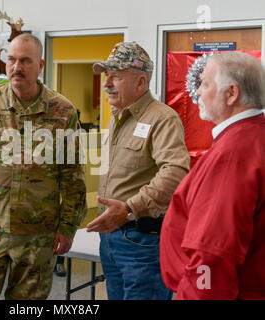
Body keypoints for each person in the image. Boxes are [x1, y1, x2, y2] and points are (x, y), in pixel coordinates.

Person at [0, 33, 87, 300]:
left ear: (40, 66)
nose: (16, 67)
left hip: (38, 236)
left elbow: (72, 176)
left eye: (25, 61)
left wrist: (67, 226)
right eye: (12, 60)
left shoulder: (62, 112)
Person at [86, 41, 190, 300]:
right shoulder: (117, 118)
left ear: (141, 82)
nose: (107, 83)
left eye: (116, 76)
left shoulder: (162, 118)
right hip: (111, 239)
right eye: (106, 75)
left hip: (142, 241)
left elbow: (176, 172)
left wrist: (130, 208)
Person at [160, 51, 265, 299]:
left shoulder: (234, 153)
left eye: (205, 83)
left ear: (231, 93)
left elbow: (212, 252)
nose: (197, 92)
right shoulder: (253, 136)